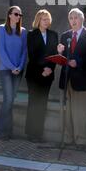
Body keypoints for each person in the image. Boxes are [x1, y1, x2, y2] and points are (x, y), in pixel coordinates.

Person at [58, 8, 86, 151]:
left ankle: (81, 140)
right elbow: (62, 57)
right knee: (66, 111)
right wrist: (59, 53)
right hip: (66, 78)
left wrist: (79, 62)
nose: (73, 21)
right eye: (71, 18)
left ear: (81, 20)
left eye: (76, 18)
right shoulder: (65, 36)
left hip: (82, 80)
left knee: (81, 112)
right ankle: (67, 139)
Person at [25, 9, 58, 143]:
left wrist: (49, 68)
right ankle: (31, 133)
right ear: (38, 20)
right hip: (34, 73)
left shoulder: (53, 35)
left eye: (48, 19)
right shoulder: (31, 34)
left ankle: (39, 134)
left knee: (42, 104)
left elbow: (55, 54)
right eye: (44, 19)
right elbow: (33, 54)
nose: (47, 21)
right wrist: (42, 69)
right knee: (34, 102)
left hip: (48, 75)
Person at [0, 6, 27, 140]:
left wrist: (19, 67)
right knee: (8, 99)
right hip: (6, 70)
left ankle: (8, 131)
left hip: (18, 70)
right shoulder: (2, 29)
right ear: (9, 15)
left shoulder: (23, 32)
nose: (18, 17)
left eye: (20, 15)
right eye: (16, 14)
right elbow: (1, 51)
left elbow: (24, 52)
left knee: (11, 100)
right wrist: (11, 66)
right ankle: (2, 132)